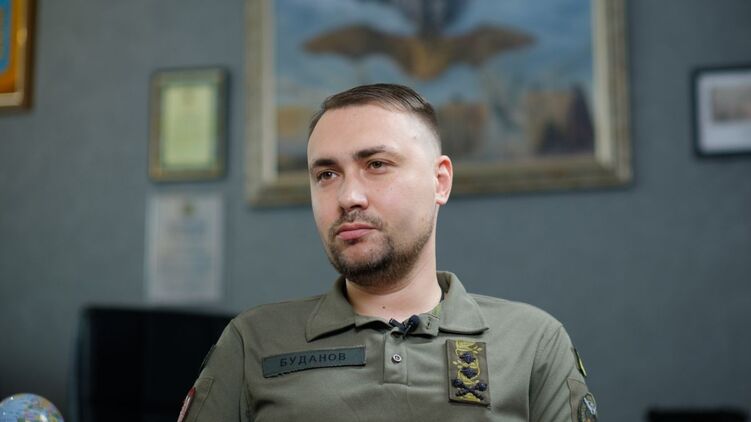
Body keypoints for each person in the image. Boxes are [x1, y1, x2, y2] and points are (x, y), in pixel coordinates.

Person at [178, 84, 597, 422]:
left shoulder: (532, 343)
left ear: (440, 181)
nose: (348, 196)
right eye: (327, 174)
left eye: (376, 164)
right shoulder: (253, 341)